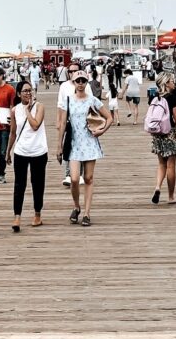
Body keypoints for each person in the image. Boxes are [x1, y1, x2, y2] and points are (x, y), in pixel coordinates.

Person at [56, 71, 112, 226]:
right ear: (73, 83)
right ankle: (76, 206)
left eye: (83, 81)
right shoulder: (68, 101)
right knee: (74, 179)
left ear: (86, 82)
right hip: (73, 143)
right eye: (77, 81)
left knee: (88, 178)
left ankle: (87, 213)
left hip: (89, 142)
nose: (80, 83)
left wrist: (102, 130)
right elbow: (62, 125)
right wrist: (59, 146)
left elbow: (109, 118)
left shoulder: (92, 100)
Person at [7, 81, 47, 232]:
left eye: (30, 90)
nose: (28, 93)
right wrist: (8, 151)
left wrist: (28, 111)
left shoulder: (40, 107)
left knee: (38, 184)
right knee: (19, 185)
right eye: (24, 91)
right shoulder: (14, 110)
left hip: (38, 151)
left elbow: (35, 125)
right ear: (18, 94)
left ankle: (37, 213)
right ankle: (17, 216)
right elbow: (13, 132)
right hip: (21, 151)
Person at [150, 73, 176, 205]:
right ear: (166, 83)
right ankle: (171, 196)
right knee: (171, 165)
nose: (174, 83)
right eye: (172, 81)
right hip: (169, 133)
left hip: (157, 134)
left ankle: (157, 187)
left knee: (162, 164)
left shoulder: (155, 96)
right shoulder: (172, 98)